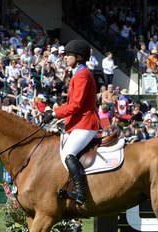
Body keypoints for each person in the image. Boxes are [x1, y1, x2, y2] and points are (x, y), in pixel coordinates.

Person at [42, 40, 100, 205]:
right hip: (78, 122)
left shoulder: (82, 74)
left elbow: (75, 105)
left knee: (68, 153)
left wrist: (54, 113)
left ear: (79, 57)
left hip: (86, 123)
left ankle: (80, 193)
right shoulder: (79, 73)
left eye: (68, 55)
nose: (65, 58)